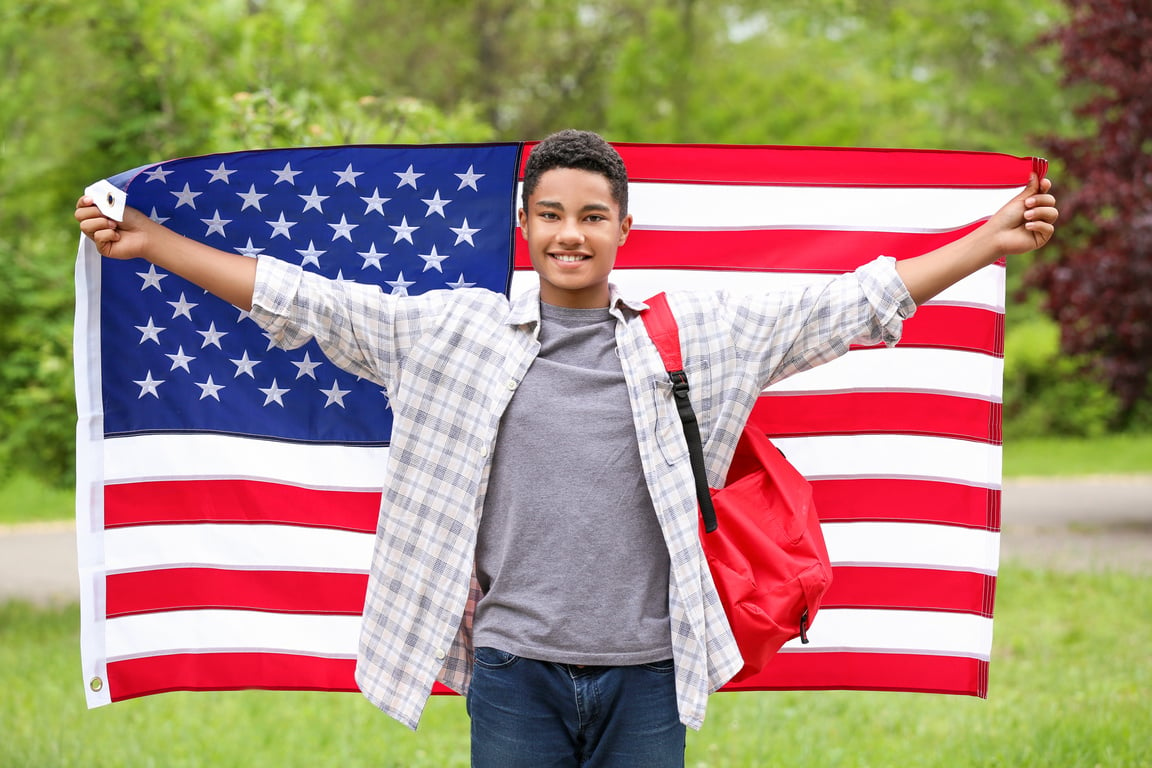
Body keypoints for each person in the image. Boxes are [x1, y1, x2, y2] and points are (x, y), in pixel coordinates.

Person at [76, 129, 1058, 767]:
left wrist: (987, 240)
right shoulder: (451, 337)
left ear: (625, 228)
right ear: (525, 225)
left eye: (591, 215)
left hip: (646, 678)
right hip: (515, 675)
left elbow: (854, 303)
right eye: (551, 214)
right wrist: (152, 244)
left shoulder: (697, 341)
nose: (570, 234)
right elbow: (308, 303)